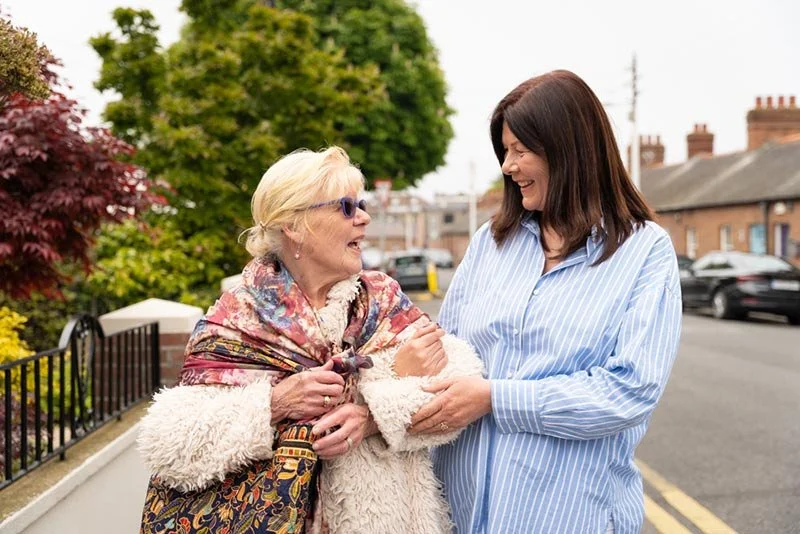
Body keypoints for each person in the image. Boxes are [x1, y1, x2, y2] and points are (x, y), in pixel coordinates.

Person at [137, 146, 484, 534]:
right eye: (347, 207)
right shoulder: (239, 316)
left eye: (363, 204)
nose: (365, 218)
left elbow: (463, 385)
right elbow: (169, 445)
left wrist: (372, 412)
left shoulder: (382, 300)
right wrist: (276, 402)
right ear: (295, 225)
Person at [409, 70, 682, 534]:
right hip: (459, 513)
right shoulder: (490, 243)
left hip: (571, 516)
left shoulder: (644, 251)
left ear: (568, 149)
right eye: (504, 151)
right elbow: (450, 351)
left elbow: (629, 392)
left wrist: (496, 399)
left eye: (520, 150)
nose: (507, 167)